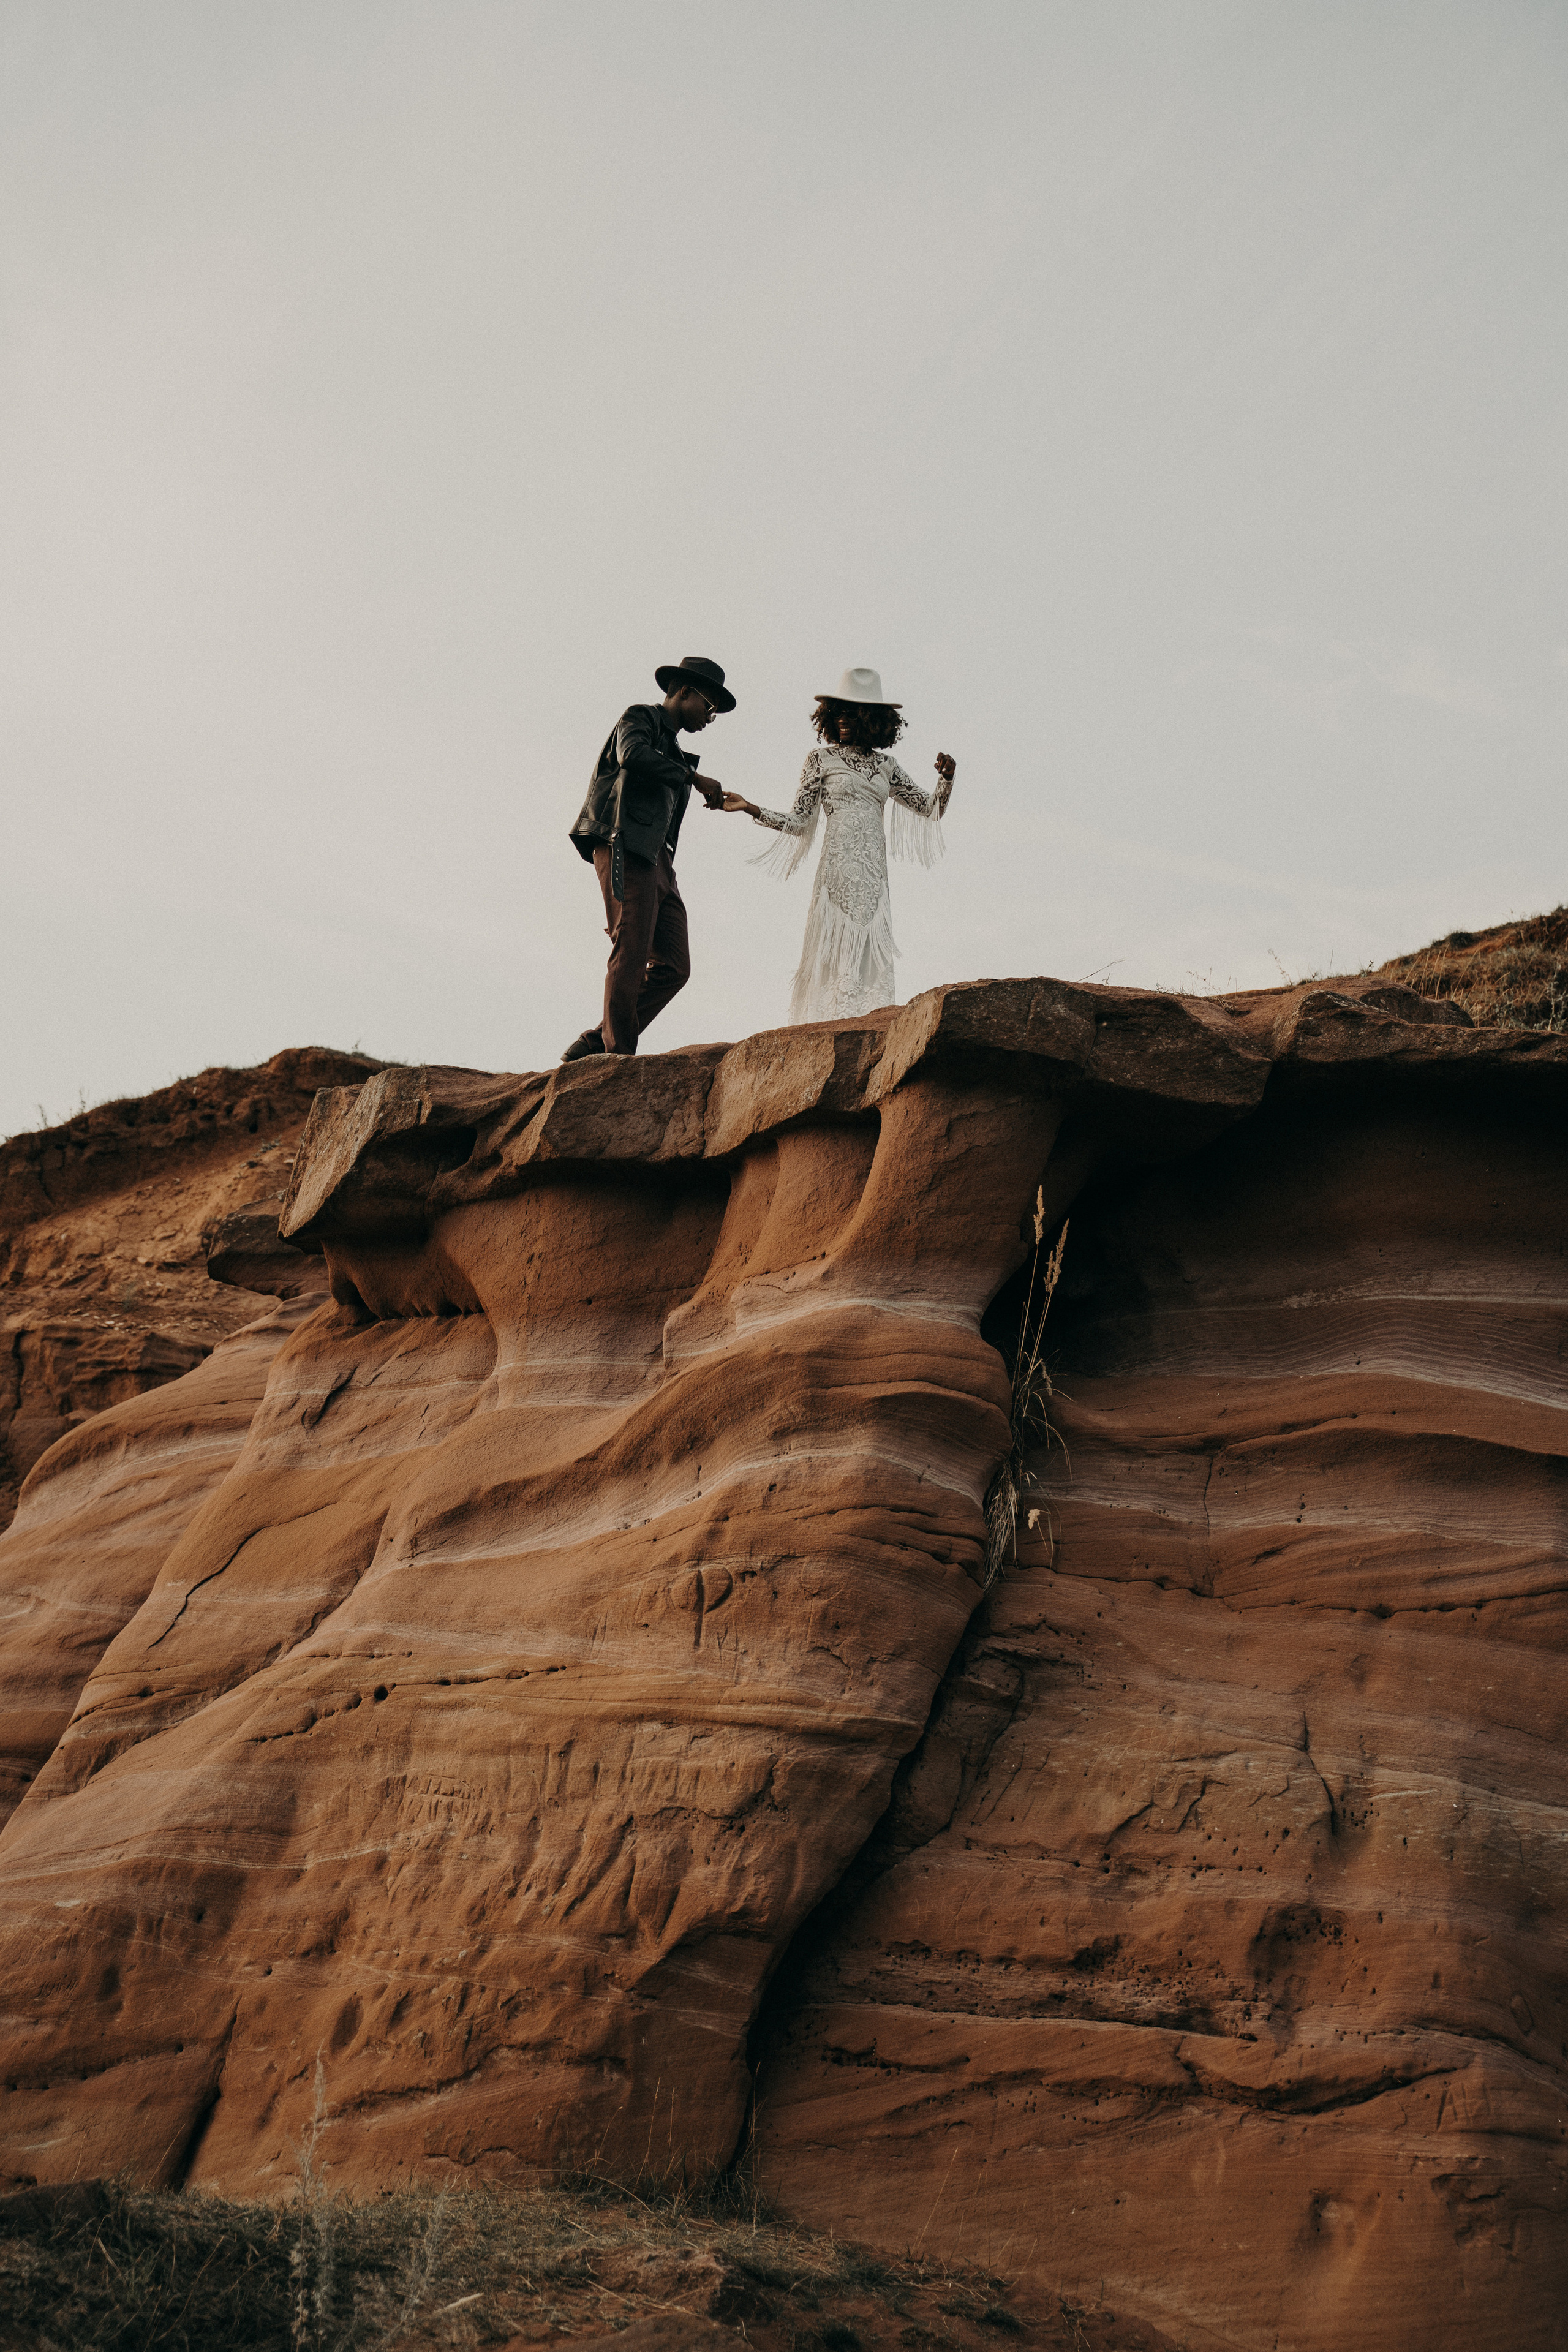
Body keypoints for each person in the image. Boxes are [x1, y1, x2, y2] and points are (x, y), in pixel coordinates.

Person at [715, 666, 956, 1023]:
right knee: (835, 945)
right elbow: (799, 821)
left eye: (852, 712)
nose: (843, 719)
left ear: (872, 719)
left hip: (874, 873)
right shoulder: (820, 759)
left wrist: (947, 778)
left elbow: (930, 809)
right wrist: (750, 808)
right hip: (837, 869)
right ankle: (833, 1021)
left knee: (870, 946)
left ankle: (870, 1021)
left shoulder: (887, 766)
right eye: (838, 711)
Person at [562, 656, 736, 1060]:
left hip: (659, 861)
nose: (711, 718)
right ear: (684, 692)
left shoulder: (674, 749)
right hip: (623, 844)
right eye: (709, 707)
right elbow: (631, 754)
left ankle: (597, 1040)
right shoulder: (641, 717)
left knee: (675, 966)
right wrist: (692, 777)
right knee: (632, 949)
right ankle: (616, 1055)